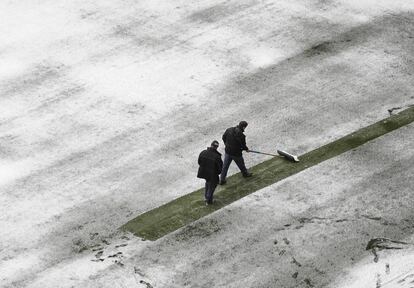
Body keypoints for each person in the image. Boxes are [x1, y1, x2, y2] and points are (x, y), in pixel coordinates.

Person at [220, 121, 252, 185]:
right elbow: (243, 145)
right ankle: (245, 174)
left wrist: (227, 145)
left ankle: (222, 179)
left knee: (225, 166)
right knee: (241, 164)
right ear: (243, 127)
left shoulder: (229, 129)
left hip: (228, 152)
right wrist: (246, 149)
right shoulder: (242, 136)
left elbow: (223, 137)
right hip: (236, 154)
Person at [197, 140, 223, 205]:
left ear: (211, 145)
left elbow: (199, 162)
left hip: (204, 172)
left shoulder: (203, 152)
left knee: (208, 183)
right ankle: (208, 200)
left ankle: (207, 196)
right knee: (212, 186)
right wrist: (217, 173)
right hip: (212, 174)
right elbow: (220, 167)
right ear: (217, 147)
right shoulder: (217, 156)